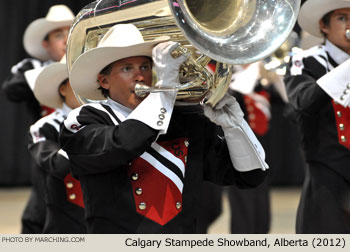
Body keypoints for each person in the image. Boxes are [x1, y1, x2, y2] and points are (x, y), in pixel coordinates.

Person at [59, 23, 268, 233]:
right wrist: (166, 86)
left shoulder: (184, 119)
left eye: (145, 67)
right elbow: (123, 143)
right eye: (127, 68)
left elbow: (248, 176)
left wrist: (235, 127)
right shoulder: (84, 120)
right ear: (104, 81)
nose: (139, 76)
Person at [1, 5, 75, 234]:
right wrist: (50, 73)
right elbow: (11, 90)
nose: (66, 40)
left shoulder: (91, 69)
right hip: (48, 145)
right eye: (59, 35)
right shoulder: (32, 67)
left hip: (86, 144)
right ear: (46, 44)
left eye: (71, 33)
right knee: (41, 209)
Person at [284, 0, 350, 233]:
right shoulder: (304, 60)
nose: (349, 25)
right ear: (324, 25)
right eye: (342, 18)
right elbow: (304, 101)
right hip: (327, 179)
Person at [27, 56, 86, 234]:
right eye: (77, 82)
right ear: (62, 88)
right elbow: (57, 165)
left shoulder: (112, 120)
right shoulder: (44, 127)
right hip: (66, 221)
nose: (85, 88)